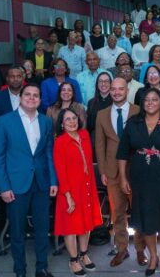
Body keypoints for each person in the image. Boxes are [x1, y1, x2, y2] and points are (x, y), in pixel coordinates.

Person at [116, 88, 160, 276]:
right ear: (142, 103)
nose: (150, 103)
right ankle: (153, 257)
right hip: (140, 179)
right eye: (146, 100)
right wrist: (123, 177)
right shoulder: (133, 123)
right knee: (146, 219)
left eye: (154, 99)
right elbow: (122, 153)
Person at [0, 84, 58, 277]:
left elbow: (49, 153)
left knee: (42, 228)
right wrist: (3, 187)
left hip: (41, 183)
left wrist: (53, 180)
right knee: (17, 231)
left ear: (40, 100)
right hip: (15, 185)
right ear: (20, 98)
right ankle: (20, 270)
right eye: (27, 94)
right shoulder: (4, 121)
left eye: (35, 95)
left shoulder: (46, 121)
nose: (31, 98)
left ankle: (41, 267)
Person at [94, 77, 147, 267]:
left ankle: (140, 249)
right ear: (109, 91)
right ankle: (122, 249)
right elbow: (99, 145)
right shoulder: (101, 114)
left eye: (120, 89)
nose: (117, 92)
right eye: (113, 89)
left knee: (139, 212)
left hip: (136, 170)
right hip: (112, 171)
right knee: (117, 213)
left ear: (127, 90)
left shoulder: (138, 111)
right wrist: (102, 170)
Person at [53, 108, 102, 275]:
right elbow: (60, 171)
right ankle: (73, 260)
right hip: (70, 190)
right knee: (71, 227)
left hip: (87, 187)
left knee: (86, 223)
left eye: (74, 118)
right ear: (62, 124)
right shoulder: (60, 142)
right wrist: (68, 195)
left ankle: (84, 254)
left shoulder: (85, 135)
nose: (72, 121)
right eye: (67, 119)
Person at [0, 66, 24, 154]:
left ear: (23, 78)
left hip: (26, 147)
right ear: (7, 79)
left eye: (18, 76)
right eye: (12, 76)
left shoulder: (31, 97)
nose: (15, 79)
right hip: (3, 146)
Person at [86, 72, 112, 142]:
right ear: (97, 84)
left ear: (111, 84)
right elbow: (89, 126)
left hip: (111, 140)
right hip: (95, 140)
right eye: (100, 81)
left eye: (106, 81)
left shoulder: (115, 102)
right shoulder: (91, 103)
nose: (103, 84)